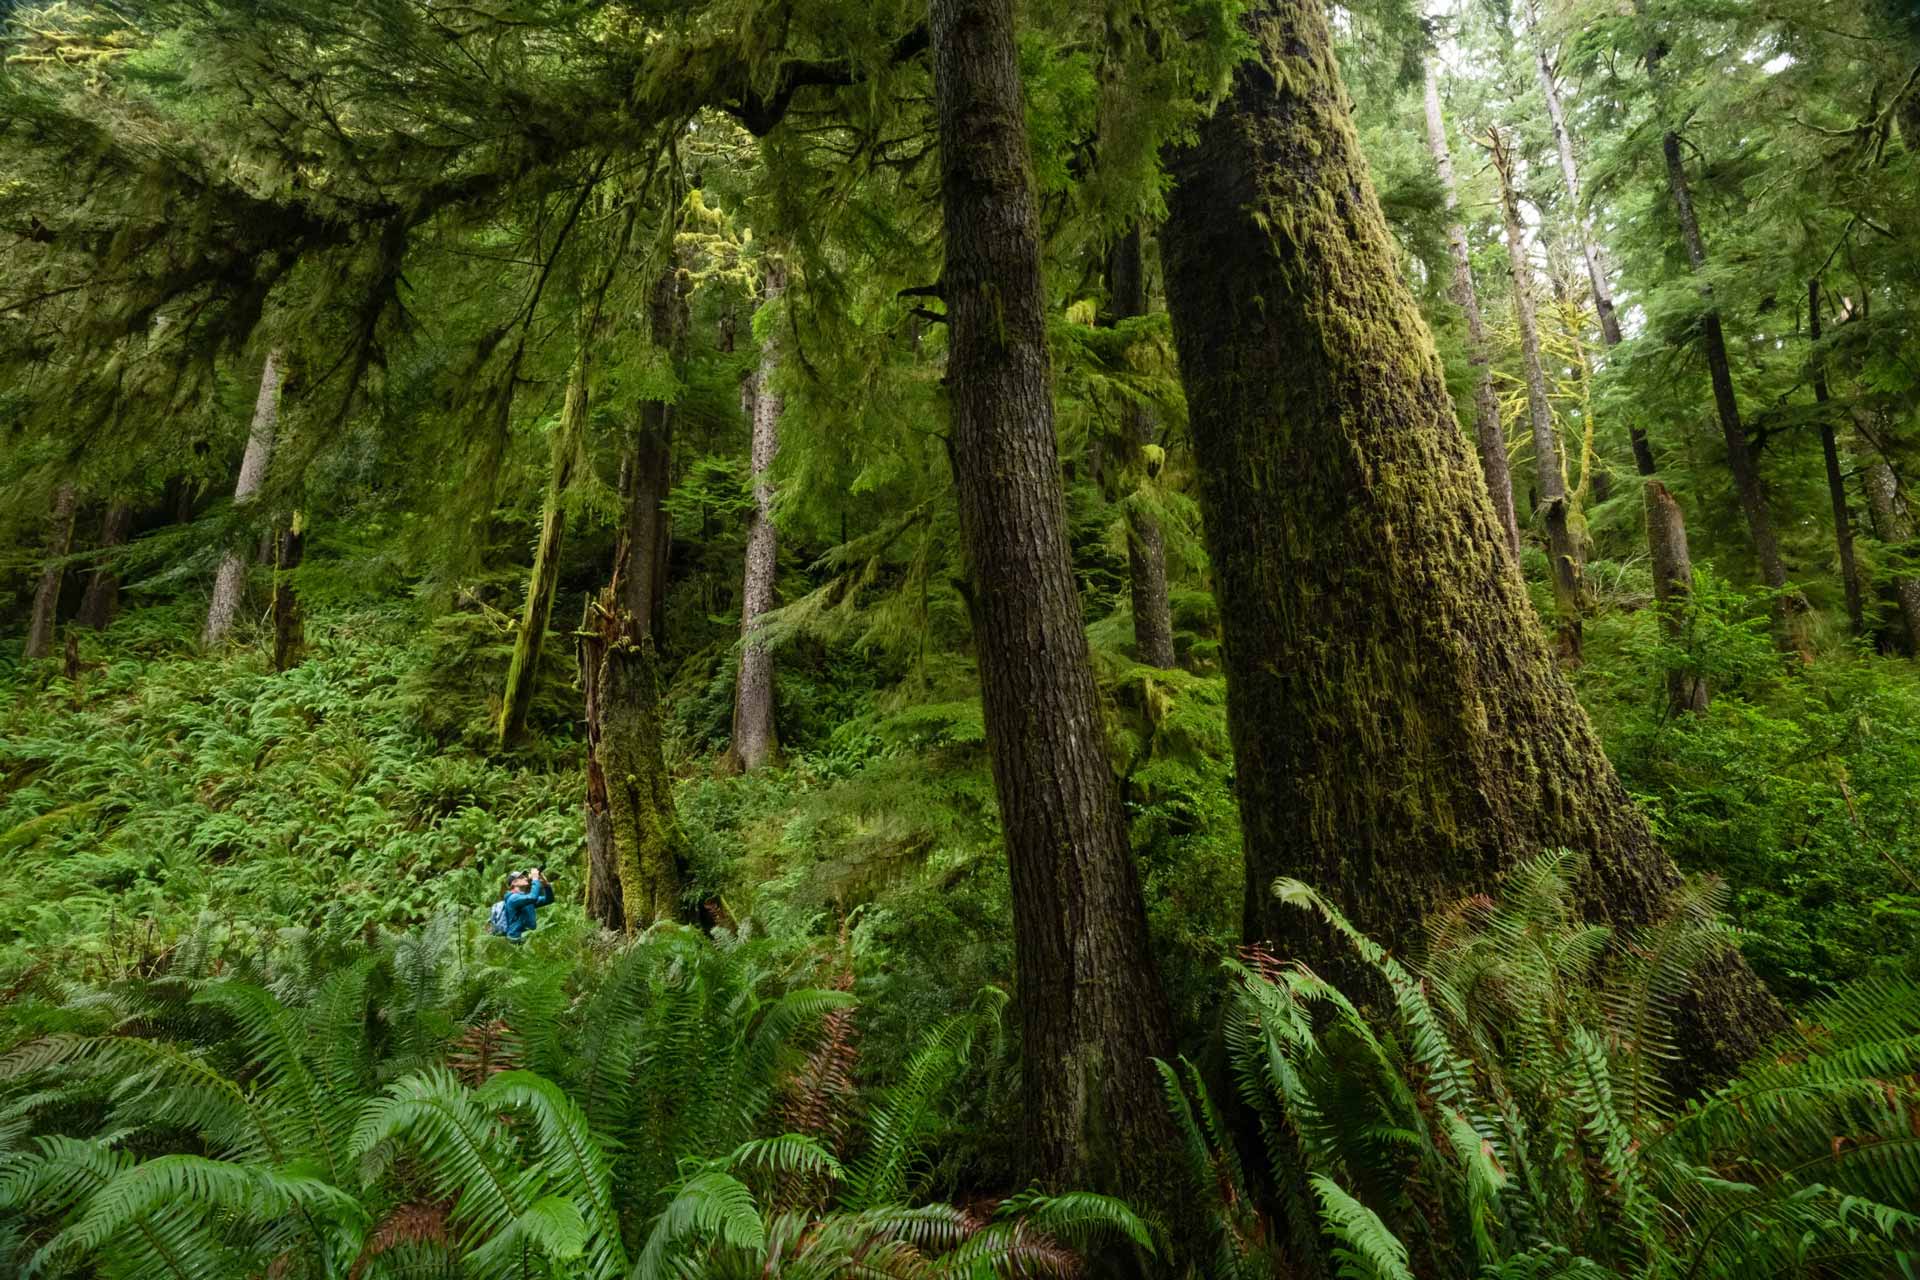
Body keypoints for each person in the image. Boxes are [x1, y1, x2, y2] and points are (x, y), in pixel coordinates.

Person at [491, 867, 553, 942]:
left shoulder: (524, 898)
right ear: (514, 883)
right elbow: (533, 897)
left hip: (527, 938)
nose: (525, 878)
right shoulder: (513, 898)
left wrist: (546, 885)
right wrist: (535, 879)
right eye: (521, 877)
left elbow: (549, 900)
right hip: (515, 939)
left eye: (524, 876)